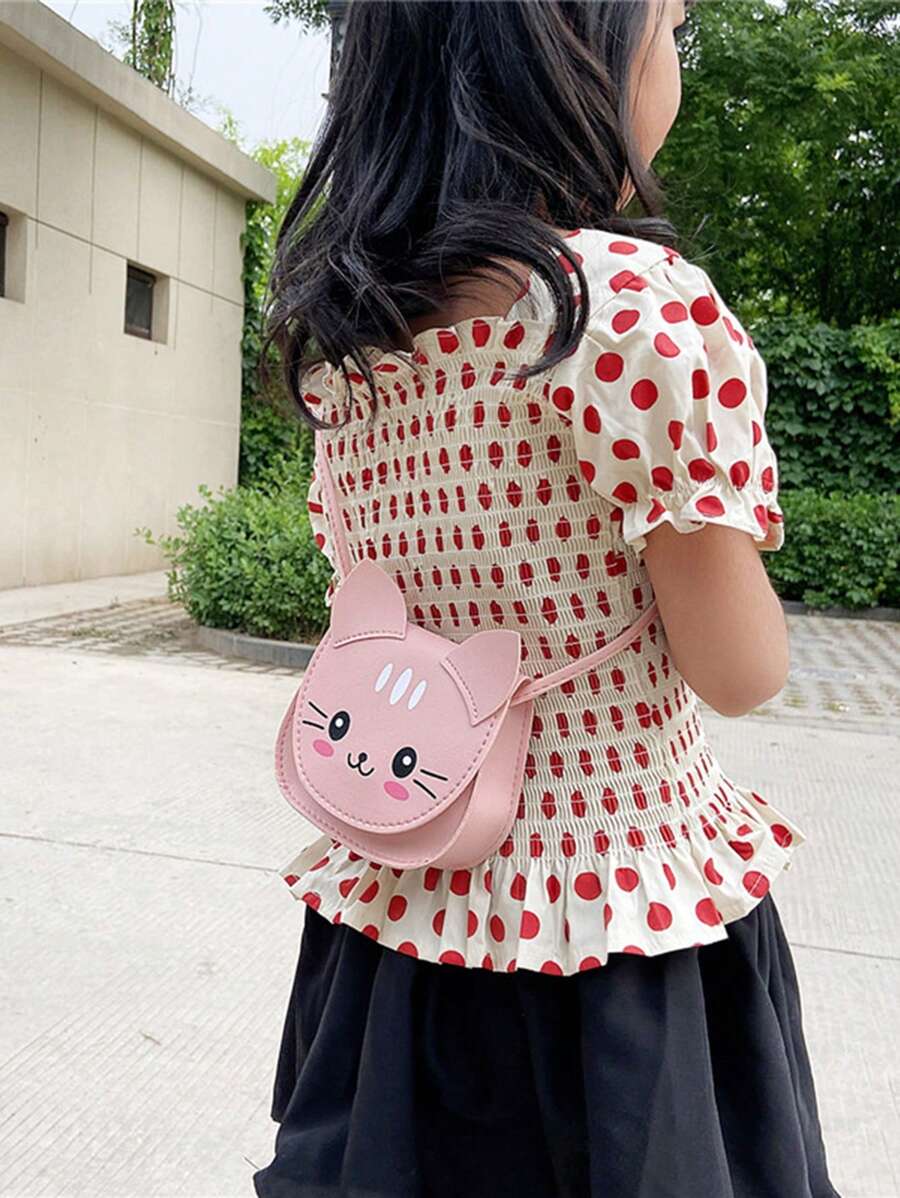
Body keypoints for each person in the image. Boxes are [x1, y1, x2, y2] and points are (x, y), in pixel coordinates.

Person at [252, 2, 841, 1195]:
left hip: (400, 931)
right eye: (669, 26)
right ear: (575, 49)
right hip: (618, 939)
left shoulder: (352, 343)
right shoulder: (620, 310)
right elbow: (741, 671)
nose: (675, 62)